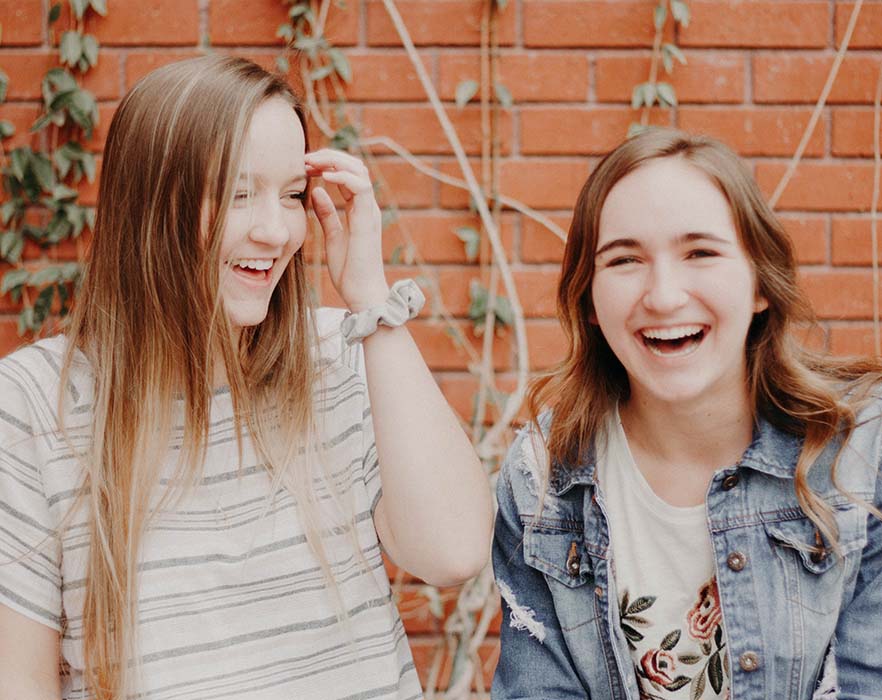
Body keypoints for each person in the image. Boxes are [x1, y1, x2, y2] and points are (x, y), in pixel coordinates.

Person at [0, 55, 492, 700]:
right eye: (236, 192)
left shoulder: (339, 356)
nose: (275, 230)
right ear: (148, 207)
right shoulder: (35, 404)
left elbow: (453, 552)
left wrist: (373, 302)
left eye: (291, 195)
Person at [492, 128, 882, 700]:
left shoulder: (861, 454)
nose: (664, 296)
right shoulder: (543, 480)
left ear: (759, 283)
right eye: (625, 259)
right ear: (590, 300)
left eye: (700, 252)